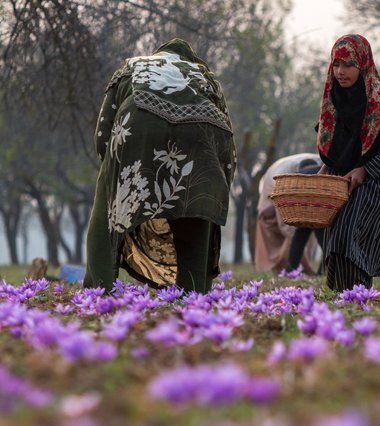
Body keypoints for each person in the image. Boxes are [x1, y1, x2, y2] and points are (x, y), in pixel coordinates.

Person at [84, 38, 236, 294]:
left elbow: (102, 136)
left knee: (106, 208)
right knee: (195, 209)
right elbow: (227, 138)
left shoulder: (130, 68)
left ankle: (99, 286)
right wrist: (218, 184)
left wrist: (112, 172)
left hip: (138, 126)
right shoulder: (205, 77)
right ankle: (194, 290)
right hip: (200, 136)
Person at [315, 34, 380, 292]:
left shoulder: (379, 105)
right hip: (339, 183)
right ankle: (343, 296)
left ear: (363, 65)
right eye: (336, 64)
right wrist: (325, 167)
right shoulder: (332, 101)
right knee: (336, 239)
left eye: (348, 65)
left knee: (349, 235)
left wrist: (365, 169)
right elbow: (332, 144)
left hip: (370, 185)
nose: (340, 71)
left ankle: (357, 293)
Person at [255, 154, 324, 274]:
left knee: (299, 233)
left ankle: (292, 269)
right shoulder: (322, 162)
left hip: (303, 199)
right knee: (320, 236)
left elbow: (290, 231)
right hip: (316, 200)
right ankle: (319, 271)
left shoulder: (289, 178)